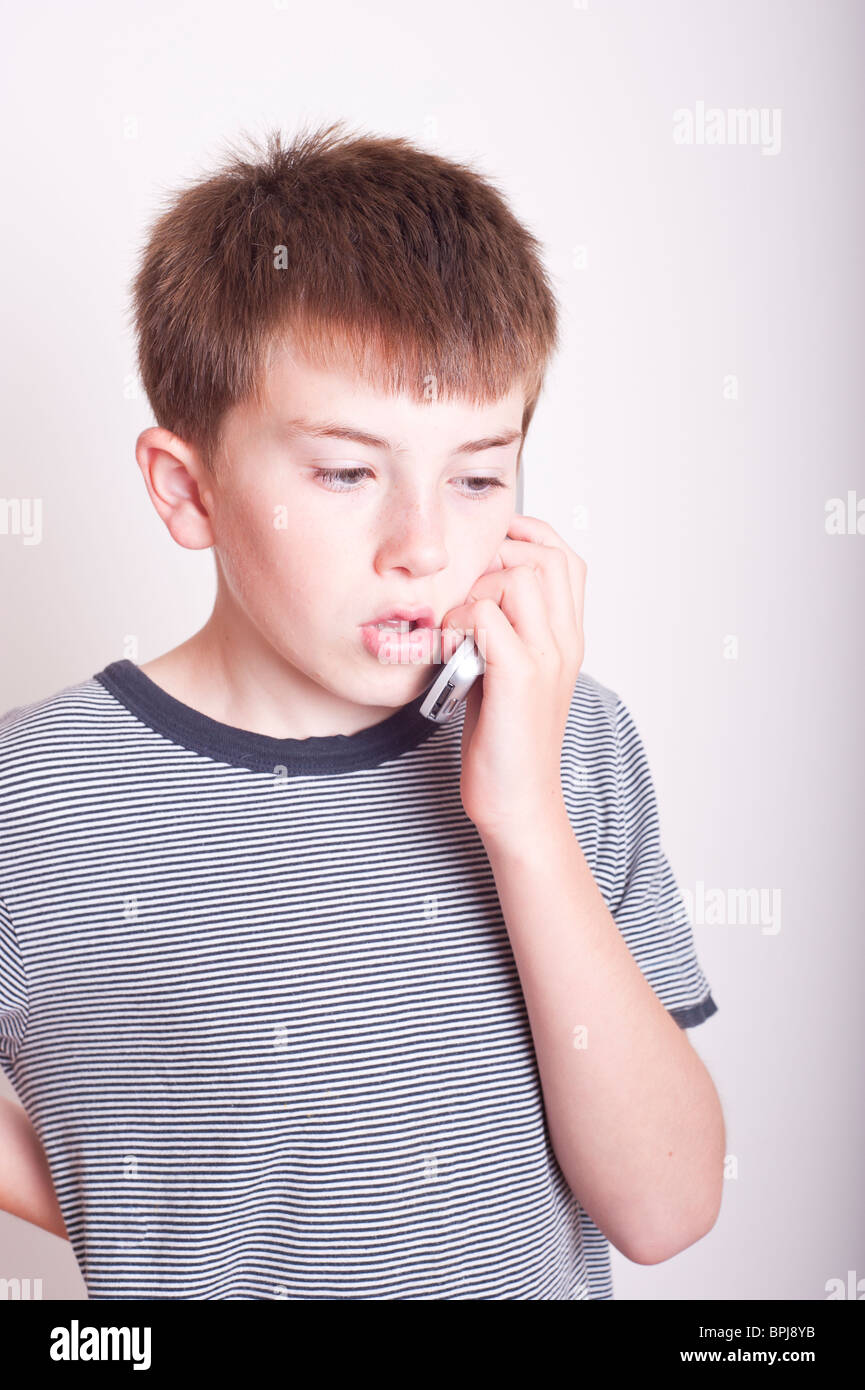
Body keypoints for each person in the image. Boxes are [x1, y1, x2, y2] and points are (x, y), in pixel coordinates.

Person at [0, 120, 723, 1300]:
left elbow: (668, 1206)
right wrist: (116, 1188)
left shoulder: (568, 740)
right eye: (346, 473)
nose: (424, 547)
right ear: (189, 490)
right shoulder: (34, 793)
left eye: (479, 475)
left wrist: (525, 819)